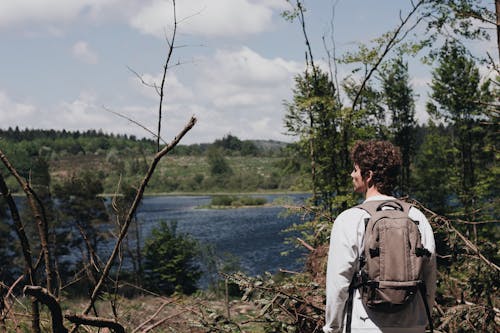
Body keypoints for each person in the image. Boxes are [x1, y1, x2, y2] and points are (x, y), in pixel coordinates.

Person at [323, 140, 436, 333]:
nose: (352, 174)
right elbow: (429, 276)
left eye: (355, 170)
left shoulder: (350, 219)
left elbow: (338, 281)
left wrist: (333, 327)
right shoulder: (417, 217)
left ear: (369, 175)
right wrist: (423, 319)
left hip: (364, 324)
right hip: (412, 322)